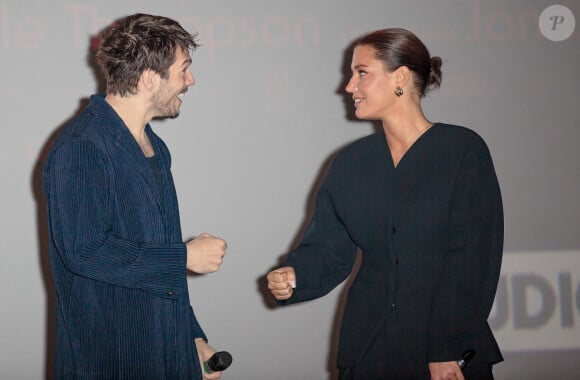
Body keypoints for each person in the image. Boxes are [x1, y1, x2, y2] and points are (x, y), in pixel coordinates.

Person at [267, 28, 503, 380]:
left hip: (443, 356)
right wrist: (295, 274)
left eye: (362, 72)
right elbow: (329, 251)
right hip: (367, 352)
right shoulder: (350, 162)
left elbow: (473, 260)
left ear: (401, 77)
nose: (349, 86)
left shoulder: (462, 150)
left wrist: (446, 347)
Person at [43, 13, 227, 379]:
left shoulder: (154, 147)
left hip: (166, 355)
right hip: (111, 362)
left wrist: (190, 336)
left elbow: (156, 258)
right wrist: (185, 255)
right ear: (148, 79)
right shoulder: (81, 146)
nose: (190, 81)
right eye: (183, 69)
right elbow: (85, 251)